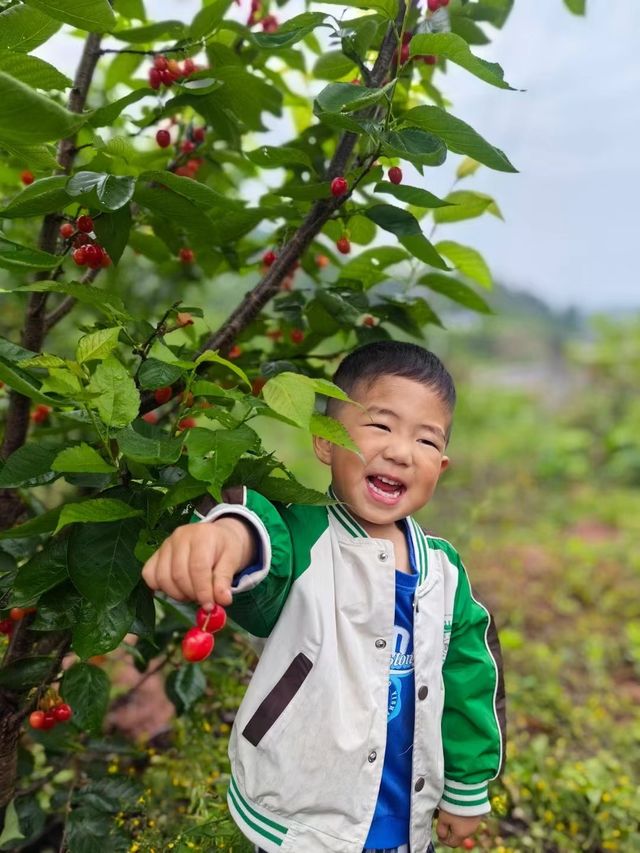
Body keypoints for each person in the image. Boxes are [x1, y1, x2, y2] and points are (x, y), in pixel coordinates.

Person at [142, 341, 506, 853]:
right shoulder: (307, 534)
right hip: (304, 813)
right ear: (325, 441)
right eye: (380, 426)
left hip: (404, 815)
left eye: (425, 440)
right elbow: (261, 536)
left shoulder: (444, 572)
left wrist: (466, 791)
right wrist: (225, 534)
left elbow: (470, 680)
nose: (401, 451)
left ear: (440, 467)